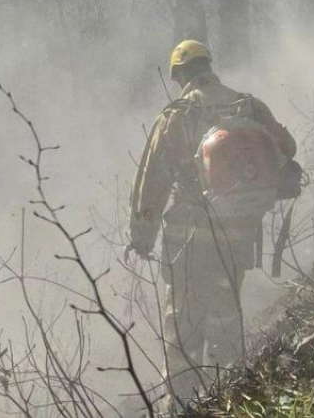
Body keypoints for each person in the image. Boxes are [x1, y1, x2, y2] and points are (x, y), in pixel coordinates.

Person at [127, 39, 296, 411]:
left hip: (186, 240)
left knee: (183, 330)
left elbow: (152, 181)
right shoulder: (249, 106)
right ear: (209, 65)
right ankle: (229, 402)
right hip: (237, 236)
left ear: (179, 75)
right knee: (224, 317)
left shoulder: (176, 115)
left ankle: (182, 407)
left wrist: (141, 238)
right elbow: (288, 148)